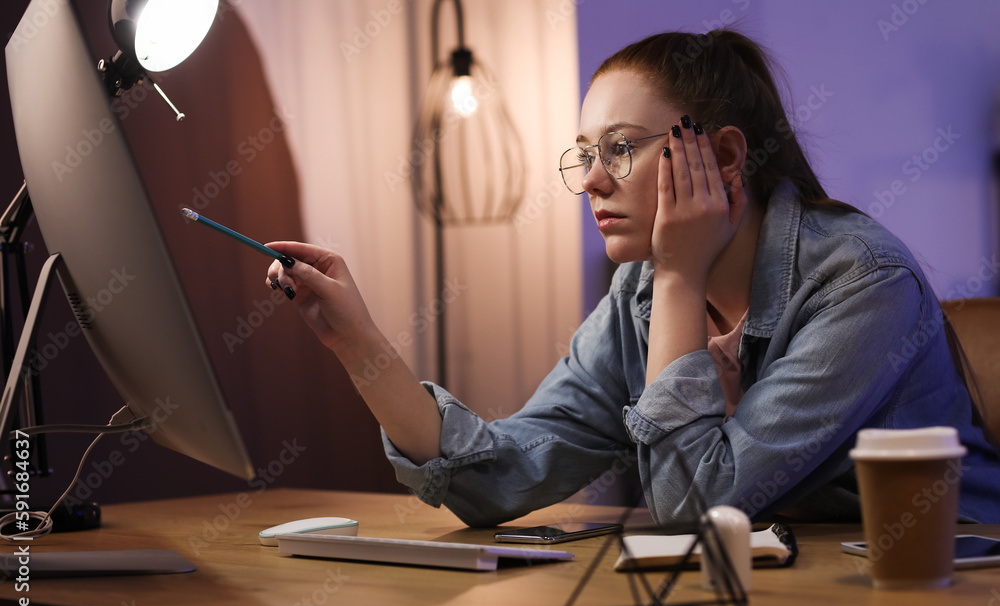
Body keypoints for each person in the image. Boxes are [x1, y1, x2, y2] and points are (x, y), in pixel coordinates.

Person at [265, 29, 1000, 528]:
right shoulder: (639, 294)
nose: (588, 181)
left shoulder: (863, 284)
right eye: (583, 152)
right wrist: (358, 342)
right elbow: (501, 474)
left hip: (950, 605)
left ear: (725, 157)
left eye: (619, 149)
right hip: (790, 605)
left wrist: (680, 275)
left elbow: (698, 509)